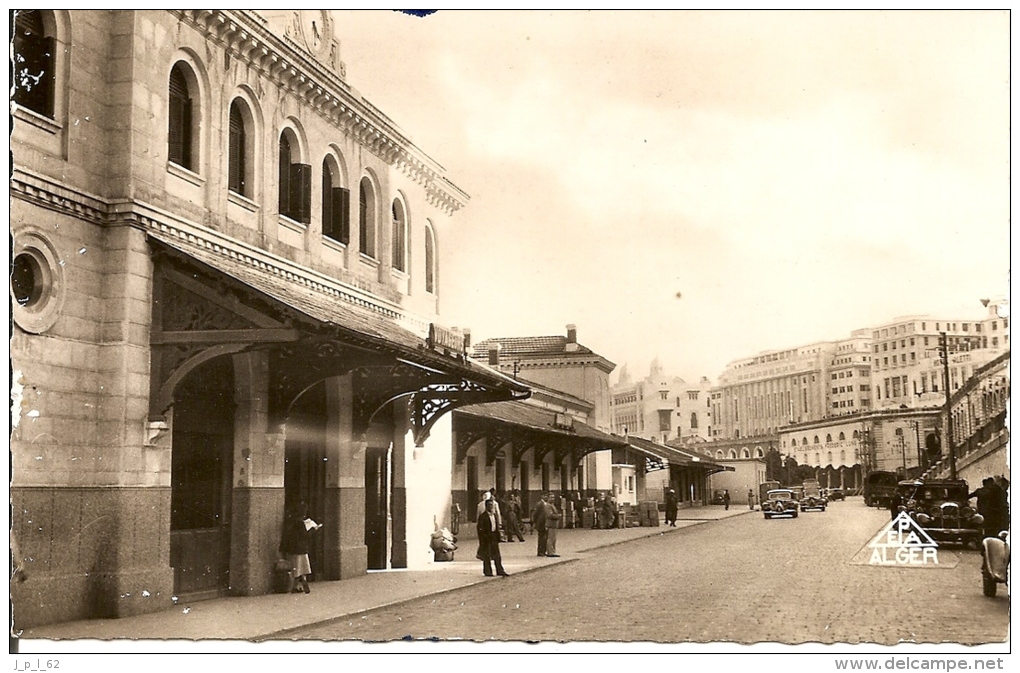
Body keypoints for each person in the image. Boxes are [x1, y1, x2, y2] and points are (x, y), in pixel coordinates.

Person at [279, 501, 318, 594]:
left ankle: (297, 585)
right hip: (301, 548)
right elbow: (304, 535)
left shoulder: (290, 520)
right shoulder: (300, 522)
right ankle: (298, 584)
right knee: (302, 567)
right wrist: (313, 529)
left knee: (296, 567)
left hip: (292, 548)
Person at [476, 499, 509, 577]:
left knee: (497, 555)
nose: (491, 506)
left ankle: (500, 570)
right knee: (487, 555)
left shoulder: (494, 515)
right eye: (489, 505)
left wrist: (498, 536)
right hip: (487, 538)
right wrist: (483, 539)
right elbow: (480, 529)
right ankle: (488, 571)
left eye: (492, 505)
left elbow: (496, 526)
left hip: (494, 536)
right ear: (486, 506)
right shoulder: (483, 516)